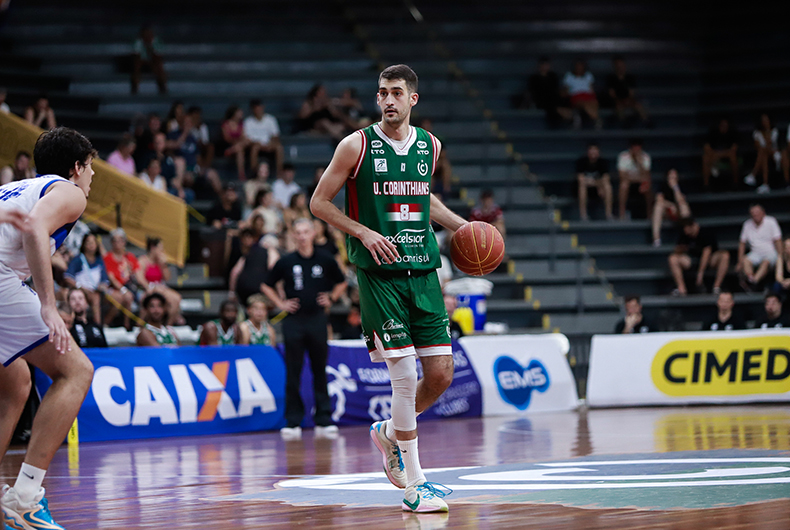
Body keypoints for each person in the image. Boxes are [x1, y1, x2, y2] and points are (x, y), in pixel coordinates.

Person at [311, 64, 467, 513]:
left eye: (396, 93)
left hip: (423, 271)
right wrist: (362, 232)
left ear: (413, 99)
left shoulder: (430, 146)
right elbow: (318, 202)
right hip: (379, 274)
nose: (388, 100)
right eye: (382, 93)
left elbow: (421, 196)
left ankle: (388, 432)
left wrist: (462, 226)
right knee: (404, 377)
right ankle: (415, 485)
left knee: (440, 374)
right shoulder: (355, 145)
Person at [0, 127, 96, 529]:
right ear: (76, 168)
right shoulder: (69, 192)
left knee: (16, 381)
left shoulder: (16, 187)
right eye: (91, 168)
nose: (92, 178)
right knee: (76, 371)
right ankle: (25, 495)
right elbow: (36, 229)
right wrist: (48, 303)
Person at [260, 218, 347, 438]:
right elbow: (266, 284)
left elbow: (342, 280)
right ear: (293, 235)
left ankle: (323, 418)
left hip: (317, 319)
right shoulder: (286, 261)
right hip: (294, 321)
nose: (301, 236)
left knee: (320, 369)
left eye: (305, 232)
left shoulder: (324, 259)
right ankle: (293, 421)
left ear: (313, 233)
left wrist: (332, 297)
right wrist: (280, 304)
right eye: (297, 232)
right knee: (293, 371)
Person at [62, 232, 115, 325]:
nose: (91, 245)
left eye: (93, 242)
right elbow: (68, 277)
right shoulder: (78, 259)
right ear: (84, 244)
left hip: (96, 290)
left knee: (118, 298)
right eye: (88, 242)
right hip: (82, 289)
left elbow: (104, 279)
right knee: (95, 298)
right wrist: (80, 287)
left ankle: (107, 323)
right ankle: (98, 326)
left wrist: (102, 286)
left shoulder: (99, 260)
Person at [668, 217, 729, 296]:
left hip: (709, 260)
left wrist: (700, 274)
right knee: (672, 258)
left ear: (693, 226)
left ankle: (716, 287)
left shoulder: (705, 233)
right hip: (691, 260)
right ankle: (681, 289)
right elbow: (677, 249)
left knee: (724, 255)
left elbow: (706, 253)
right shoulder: (685, 234)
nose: (687, 232)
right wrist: (681, 249)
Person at [135, 237, 183, 325]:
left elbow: (167, 278)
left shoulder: (160, 262)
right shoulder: (142, 261)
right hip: (146, 289)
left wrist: (164, 265)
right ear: (153, 248)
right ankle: (140, 324)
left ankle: (169, 325)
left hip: (160, 288)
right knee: (161, 298)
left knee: (177, 298)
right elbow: (140, 279)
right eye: (160, 248)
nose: (162, 251)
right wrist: (149, 287)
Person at [737, 203, 782, 290]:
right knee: (745, 260)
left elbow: (778, 240)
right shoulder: (747, 224)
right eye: (753, 213)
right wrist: (740, 261)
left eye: (757, 212)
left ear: (763, 212)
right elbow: (742, 243)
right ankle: (750, 278)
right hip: (755, 253)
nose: (755, 214)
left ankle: (754, 282)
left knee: (765, 262)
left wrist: (780, 256)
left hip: (770, 252)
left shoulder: (771, 221)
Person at [102, 228, 139, 330]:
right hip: (114, 288)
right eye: (115, 240)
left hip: (130, 286)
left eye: (120, 240)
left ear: (124, 242)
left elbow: (137, 274)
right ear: (111, 242)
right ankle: (125, 325)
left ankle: (138, 326)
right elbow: (111, 278)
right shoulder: (108, 257)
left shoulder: (129, 257)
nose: (118, 243)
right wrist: (123, 290)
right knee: (125, 297)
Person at [526, 57, 572, 125]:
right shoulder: (534, 78)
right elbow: (534, 92)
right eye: (543, 64)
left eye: (546, 65)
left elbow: (555, 89)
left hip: (553, 98)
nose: (545, 67)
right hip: (541, 99)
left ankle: (565, 114)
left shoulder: (553, 76)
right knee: (550, 105)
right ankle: (561, 113)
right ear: (539, 66)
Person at [243, 99, 284, 176]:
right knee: (255, 148)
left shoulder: (270, 119)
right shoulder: (248, 121)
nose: (258, 110)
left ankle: (279, 172)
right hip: (256, 144)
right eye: (256, 108)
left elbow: (275, 135)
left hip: (269, 144)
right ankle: (254, 172)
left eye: (260, 108)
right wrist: (258, 144)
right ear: (253, 109)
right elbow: (247, 138)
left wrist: (270, 143)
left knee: (279, 147)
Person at [605, 56, 648, 126]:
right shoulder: (610, 78)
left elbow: (632, 93)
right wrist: (619, 100)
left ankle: (646, 121)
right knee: (619, 106)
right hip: (617, 100)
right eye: (617, 64)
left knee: (638, 105)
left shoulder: (630, 77)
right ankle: (624, 122)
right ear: (614, 66)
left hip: (628, 99)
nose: (619, 67)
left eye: (621, 64)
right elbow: (611, 94)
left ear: (624, 65)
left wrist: (627, 100)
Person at [745, 114, 782, 194]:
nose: (765, 122)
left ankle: (753, 174)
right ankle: (765, 184)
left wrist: (768, 131)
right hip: (762, 156)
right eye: (763, 120)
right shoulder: (757, 133)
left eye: (766, 120)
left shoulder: (774, 131)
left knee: (763, 152)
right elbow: (757, 147)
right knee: (763, 155)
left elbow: (770, 145)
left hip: (774, 154)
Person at [652, 169, 690, 246]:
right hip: (667, 211)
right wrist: (670, 205)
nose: (672, 180)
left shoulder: (681, 187)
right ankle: (656, 239)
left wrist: (675, 188)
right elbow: (659, 200)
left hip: (678, 211)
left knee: (684, 207)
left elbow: (681, 201)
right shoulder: (663, 186)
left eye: (674, 178)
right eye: (670, 177)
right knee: (658, 207)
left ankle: (688, 236)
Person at [575, 142, 612, 221]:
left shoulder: (603, 162)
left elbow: (606, 178)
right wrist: (598, 183)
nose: (593, 152)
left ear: (599, 152)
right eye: (591, 150)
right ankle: (583, 215)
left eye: (595, 150)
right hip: (587, 188)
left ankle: (608, 214)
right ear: (587, 152)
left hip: (598, 189)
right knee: (582, 187)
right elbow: (581, 179)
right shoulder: (581, 161)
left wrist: (598, 186)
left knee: (607, 186)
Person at [617, 138, 652, 220]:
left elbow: (646, 175)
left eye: (638, 146)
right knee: (623, 185)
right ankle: (622, 214)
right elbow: (622, 175)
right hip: (629, 182)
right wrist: (636, 178)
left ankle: (649, 213)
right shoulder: (623, 156)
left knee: (647, 185)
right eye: (634, 146)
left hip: (641, 183)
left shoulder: (645, 157)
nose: (636, 149)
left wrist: (640, 163)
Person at [703, 118, 739, 190]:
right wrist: (715, 155)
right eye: (722, 125)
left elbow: (734, 149)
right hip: (714, 155)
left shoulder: (732, 134)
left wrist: (720, 154)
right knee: (705, 158)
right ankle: (706, 185)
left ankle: (736, 183)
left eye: (725, 125)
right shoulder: (713, 133)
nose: (724, 127)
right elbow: (706, 147)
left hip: (727, 155)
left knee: (733, 157)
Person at [562, 59, 600, 129]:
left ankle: (594, 120)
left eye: (580, 66)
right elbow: (566, 91)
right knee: (585, 104)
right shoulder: (569, 76)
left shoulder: (588, 75)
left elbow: (591, 89)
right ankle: (597, 120)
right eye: (577, 66)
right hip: (576, 96)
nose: (579, 68)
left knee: (593, 103)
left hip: (588, 96)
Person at [131, 25, 167, 95]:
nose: (147, 36)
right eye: (145, 34)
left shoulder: (157, 41)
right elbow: (137, 55)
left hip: (153, 62)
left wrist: (150, 49)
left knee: (159, 65)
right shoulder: (138, 42)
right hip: (141, 63)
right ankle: (135, 85)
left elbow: (158, 55)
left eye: (149, 34)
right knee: (137, 64)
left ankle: (162, 85)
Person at [220, 105, 252, 180]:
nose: (241, 114)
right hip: (229, 145)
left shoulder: (242, 124)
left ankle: (232, 150)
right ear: (234, 113)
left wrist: (239, 142)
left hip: (239, 146)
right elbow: (227, 138)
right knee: (240, 149)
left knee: (243, 145)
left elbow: (244, 137)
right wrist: (237, 141)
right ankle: (241, 174)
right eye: (239, 112)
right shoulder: (226, 124)